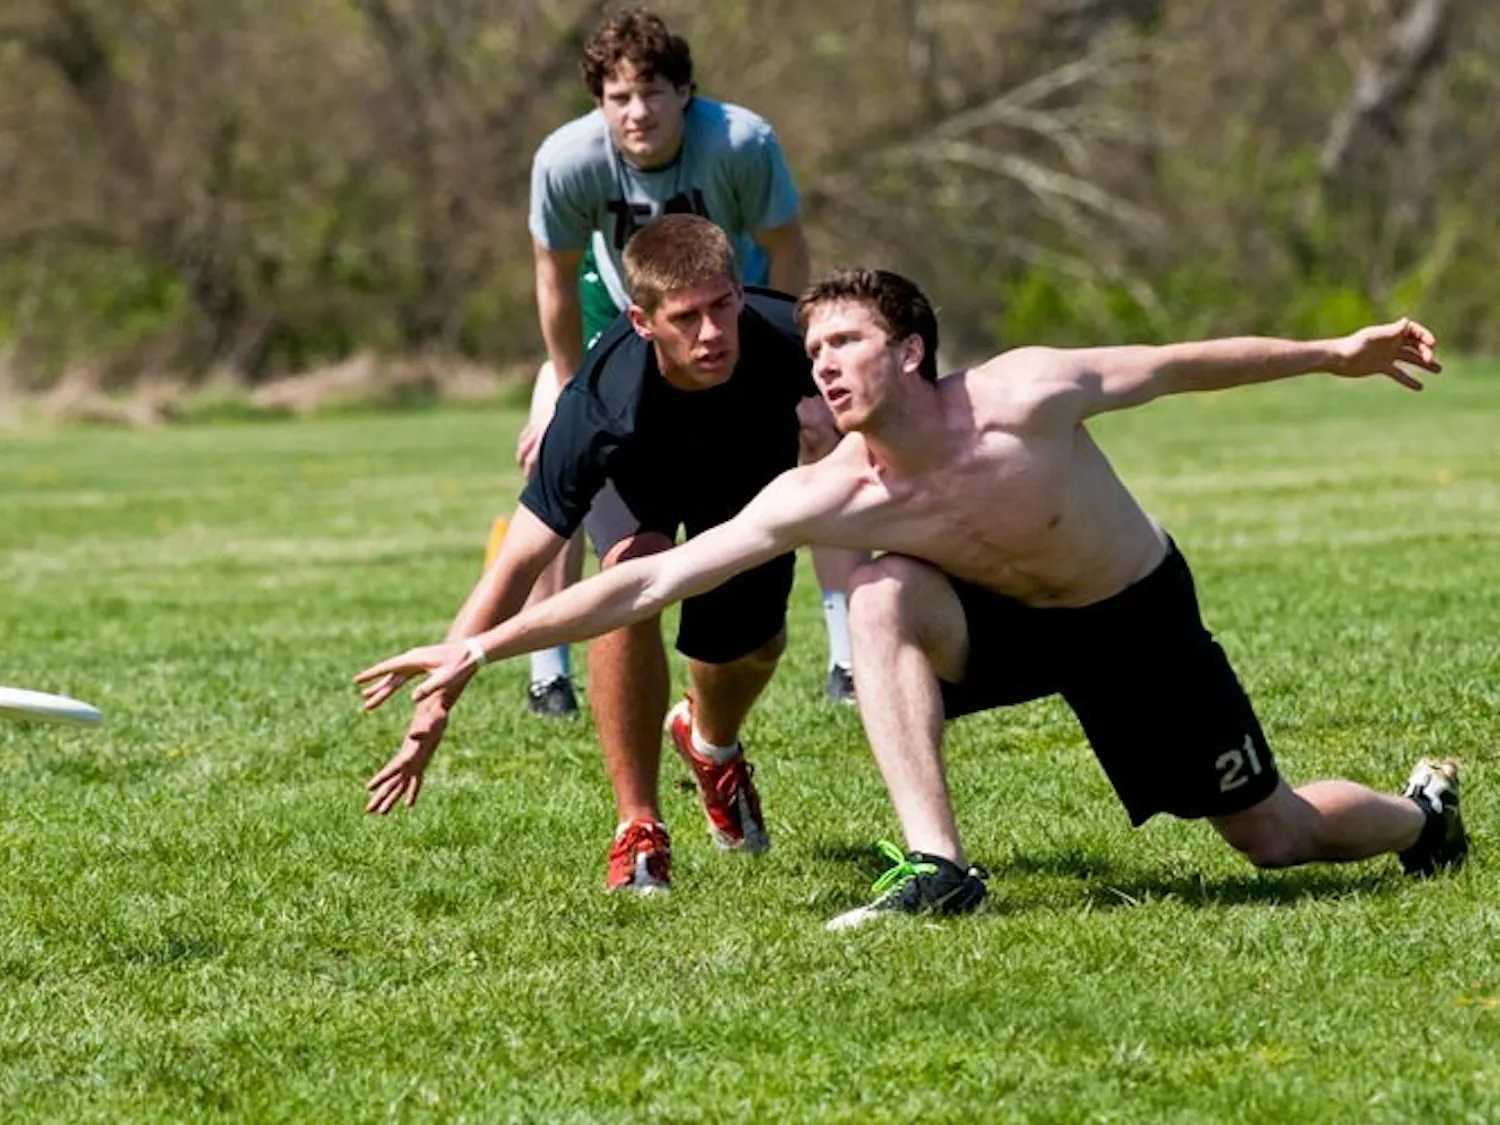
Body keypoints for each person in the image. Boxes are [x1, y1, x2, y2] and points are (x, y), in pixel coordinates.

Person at [358, 267, 1467, 928]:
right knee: (880, 593)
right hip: (996, 630)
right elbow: (648, 576)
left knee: (1271, 837)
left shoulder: (1024, 393)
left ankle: (1425, 818)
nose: (823, 366)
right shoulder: (832, 487)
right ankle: (940, 868)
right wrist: (481, 649)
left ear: (914, 351)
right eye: (819, 347)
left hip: (1132, 619)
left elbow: (1186, 363)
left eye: (847, 345)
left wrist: (1337, 352)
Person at [361, 214, 843, 894]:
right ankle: (639, 823)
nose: (710, 333)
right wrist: (436, 700)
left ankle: (709, 743)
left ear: (741, 292)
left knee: (750, 647)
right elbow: (519, 561)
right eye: (684, 318)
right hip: (636, 482)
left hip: (741, 479)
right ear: (642, 321)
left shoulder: (795, 340)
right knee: (629, 575)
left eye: (722, 306)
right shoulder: (595, 407)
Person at [517, 7, 858, 716]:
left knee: (829, 450)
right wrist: (565, 387)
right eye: (619, 97)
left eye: (652, 92)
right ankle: (548, 672)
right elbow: (554, 275)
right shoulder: (567, 160)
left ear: (686, 93)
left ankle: (847, 650)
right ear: (598, 103)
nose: (637, 112)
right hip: (615, 325)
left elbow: (788, 247)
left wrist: (800, 372)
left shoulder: (740, 142)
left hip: (730, 323)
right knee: (557, 460)